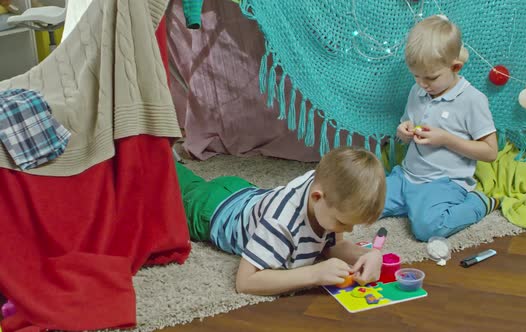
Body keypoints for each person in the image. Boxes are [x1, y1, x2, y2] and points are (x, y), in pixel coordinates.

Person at [175, 146, 386, 296]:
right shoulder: (280, 222)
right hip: (211, 209)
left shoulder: (328, 187)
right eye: (342, 222)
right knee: (165, 181)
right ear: (317, 198)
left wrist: (371, 254)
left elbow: (333, 246)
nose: (347, 230)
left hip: (243, 191)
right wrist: (313, 273)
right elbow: (245, 282)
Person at [381, 15, 499, 241]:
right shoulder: (418, 90)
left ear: (455, 67)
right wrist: (403, 131)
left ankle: (479, 203)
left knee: (428, 229)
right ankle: (415, 206)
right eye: (416, 76)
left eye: (431, 78)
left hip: (442, 183)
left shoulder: (472, 100)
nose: (422, 84)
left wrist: (446, 139)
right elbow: (407, 129)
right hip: (407, 176)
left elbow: (490, 152)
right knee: (361, 205)